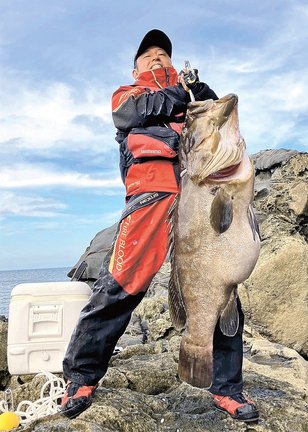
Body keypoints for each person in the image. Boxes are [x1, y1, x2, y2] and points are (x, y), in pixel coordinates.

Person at [61, 29, 259, 423]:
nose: (157, 58)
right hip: (151, 200)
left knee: (219, 282)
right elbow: (128, 115)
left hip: (199, 199)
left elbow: (216, 119)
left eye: (164, 54)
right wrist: (176, 94)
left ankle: (227, 389)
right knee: (121, 284)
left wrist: (200, 91)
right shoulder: (129, 95)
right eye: (148, 54)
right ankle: (82, 375)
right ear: (135, 67)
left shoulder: (190, 100)